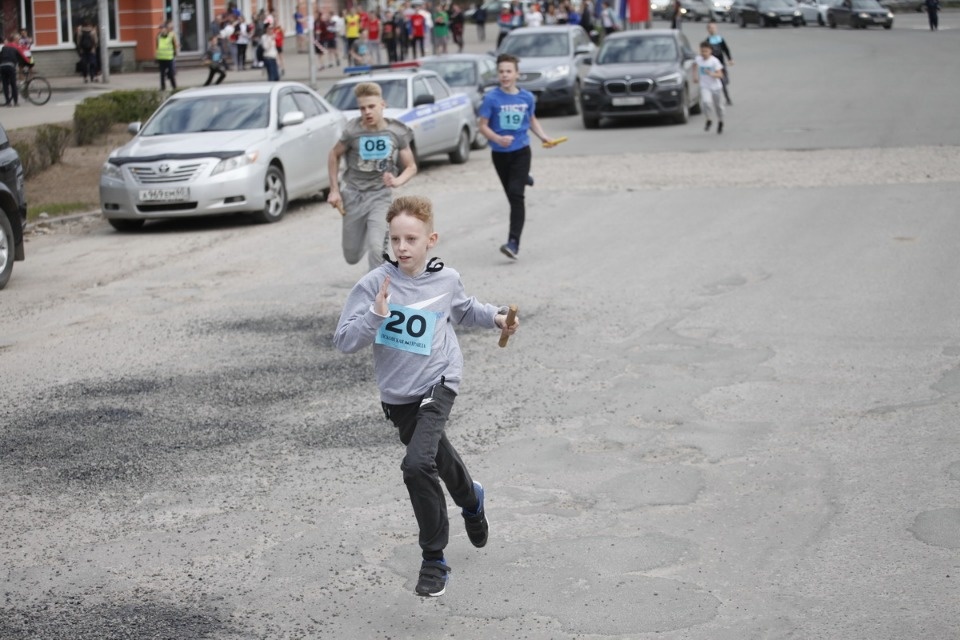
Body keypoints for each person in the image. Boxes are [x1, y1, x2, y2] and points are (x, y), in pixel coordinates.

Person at [333, 194, 517, 597]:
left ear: (430, 239)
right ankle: (472, 499)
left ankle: (434, 559)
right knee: (436, 456)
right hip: (398, 396)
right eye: (396, 239)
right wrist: (375, 316)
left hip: (439, 380)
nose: (402, 248)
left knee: (417, 465)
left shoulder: (445, 278)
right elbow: (344, 341)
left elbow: (464, 309)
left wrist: (497, 316)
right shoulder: (372, 285)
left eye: (411, 239)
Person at [327, 82, 418, 270]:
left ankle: (375, 292)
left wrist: (397, 180)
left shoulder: (396, 131)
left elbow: (411, 166)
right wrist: (334, 190)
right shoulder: (352, 131)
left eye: (371, 106)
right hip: (353, 195)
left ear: (382, 104)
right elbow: (333, 154)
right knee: (351, 256)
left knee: (377, 249)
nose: (367, 112)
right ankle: (363, 239)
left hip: (380, 196)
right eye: (362, 108)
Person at [477, 53, 558, 260]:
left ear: (516, 74)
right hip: (500, 154)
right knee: (512, 194)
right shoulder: (491, 98)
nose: (505, 75)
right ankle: (525, 178)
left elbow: (531, 120)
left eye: (508, 71)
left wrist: (543, 137)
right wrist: (497, 138)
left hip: (522, 151)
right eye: (501, 71)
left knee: (516, 196)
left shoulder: (527, 98)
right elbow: (482, 126)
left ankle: (513, 243)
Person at [694, 40, 725, 134]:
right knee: (706, 102)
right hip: (705, 86)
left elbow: (720, 75)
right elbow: (694, 66)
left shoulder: (714, 61)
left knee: (718, 106)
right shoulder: (698, 59)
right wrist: (695, 76)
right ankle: (709, 119)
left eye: (706, 51)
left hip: (716, 87)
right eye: (702, 51)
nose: (704, 53)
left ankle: (720, 121)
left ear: (710, 51)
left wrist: (712, 74)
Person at [706, 21, 733, 105]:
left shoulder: (720, 39)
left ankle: (727, 98)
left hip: (721, 64)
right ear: (708, 30)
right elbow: (706, 53)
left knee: (724, 81)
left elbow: (726, 49)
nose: (712, 29)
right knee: (715, 82)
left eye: (713, 28)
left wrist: (730, 59)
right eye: (710, 28)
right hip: (712, 65)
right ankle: (714, 99)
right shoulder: (708, 40)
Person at [0, 34, 29, 107]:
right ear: (15, 40)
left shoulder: (4, 48)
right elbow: (22, 57)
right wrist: (28, 64)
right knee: (13, 85)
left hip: (2, 66)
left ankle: (8, 102)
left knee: (5, 85)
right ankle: (15, 102)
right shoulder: (16, 48)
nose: (19, 41)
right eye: (18, 40)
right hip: (11, 66)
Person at [155, 22, 178, 90]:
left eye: (163, 28)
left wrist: (175, 53)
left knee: (171, 73)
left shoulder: (171, 36)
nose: (161, 30)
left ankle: (174, 86)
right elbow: (157, 46)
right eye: (160, 28)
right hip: (161, 58)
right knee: (162, 74)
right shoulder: (158, 36)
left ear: (166, 29)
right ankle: (163, 87)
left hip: (169, 57)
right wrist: (156, 56)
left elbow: (174, 45)